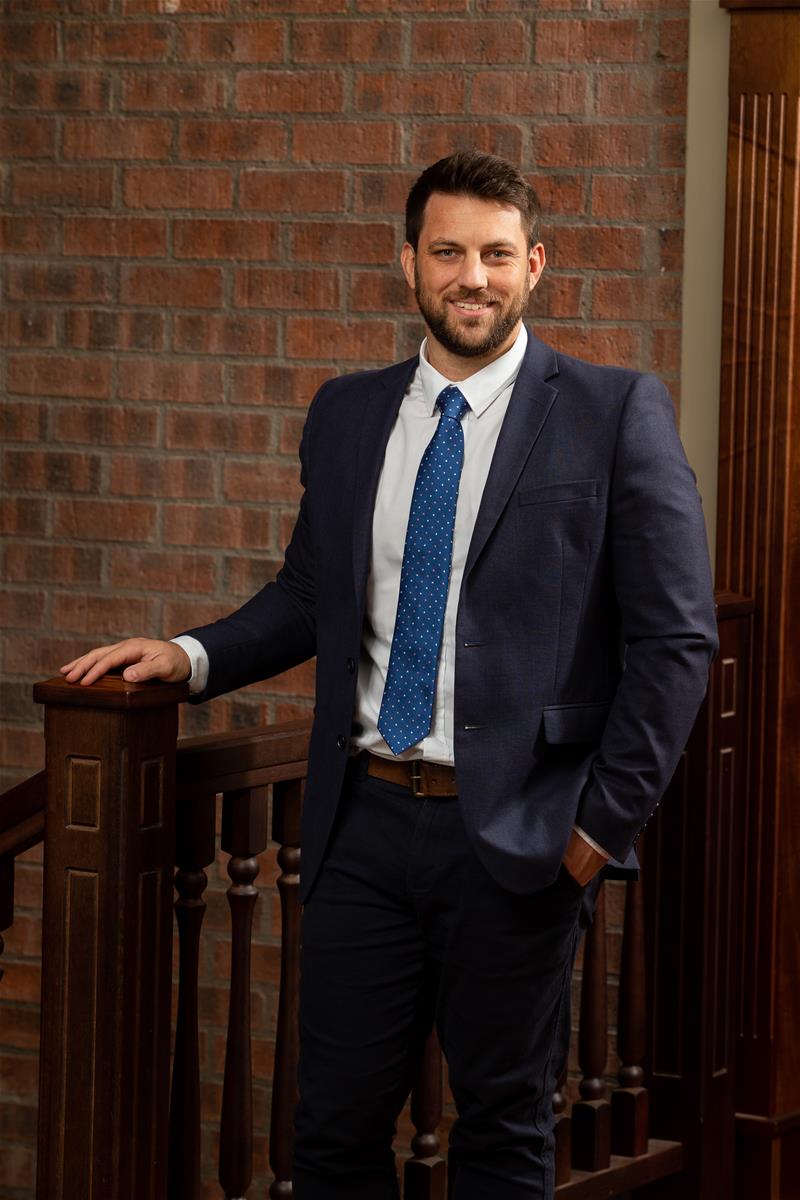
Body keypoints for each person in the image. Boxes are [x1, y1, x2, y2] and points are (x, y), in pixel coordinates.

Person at [61, 151, 718, 1200]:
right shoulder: (348, 413)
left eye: (496, 254)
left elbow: (675, 642)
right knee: (331, 1136)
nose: (472, 277)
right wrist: (189, 656)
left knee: (501, 1136)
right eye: (448, 252)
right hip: (360, 828)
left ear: (534, 265)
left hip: (520, 840)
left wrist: (597, 832)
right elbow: (306, 594)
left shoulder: (612, 412)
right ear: (407, 262)